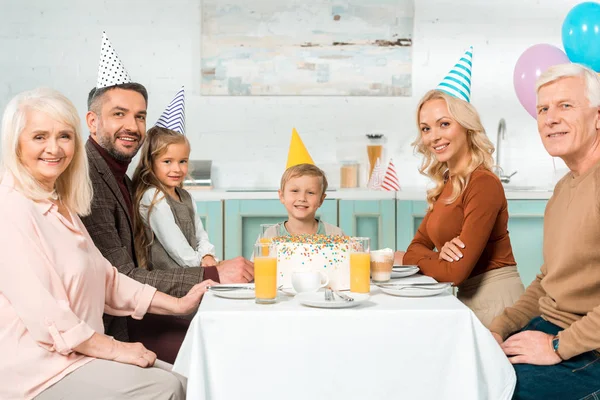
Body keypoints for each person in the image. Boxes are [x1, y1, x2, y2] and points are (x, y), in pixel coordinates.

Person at [0, 87, 216, 399]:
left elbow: (107, 277)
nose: (54, 148)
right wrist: (117, 349)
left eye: (64, 136)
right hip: (36, 371)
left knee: (187, 378)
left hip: (74, 356)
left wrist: (177, 304)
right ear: (16, 144)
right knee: (166, 388)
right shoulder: (10, 208)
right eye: (39, 137)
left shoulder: (59, 203)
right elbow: (49, 319)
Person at [80, 34, 253, 363]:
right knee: (224, 349)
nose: (132, 125)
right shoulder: (89, 179)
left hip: (146, 305)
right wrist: (213, 274)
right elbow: (123, 277)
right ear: (93, 121)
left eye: (140, 116)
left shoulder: (122, 177)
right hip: (116, 326)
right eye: (119, 114)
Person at [489, 63, 600, 400]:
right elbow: (548, 281)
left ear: (598, 116)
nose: (550, 118)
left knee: (506, 390)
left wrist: (557, 346)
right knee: (469, 371)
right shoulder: (563, 190)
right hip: (553, 330)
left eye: (565, 105)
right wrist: (499, 327)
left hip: (588, 345)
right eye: (543, 109)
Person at [394, 48, 524, 327]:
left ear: (465, 126)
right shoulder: (446, 184)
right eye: (426, 128)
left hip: (498, 302)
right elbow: (417, 246)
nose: (434, 137)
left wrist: (409, 259)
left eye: (444, 124)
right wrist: (436, 256)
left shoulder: (483, 184)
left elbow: (455, 272)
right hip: (468, 299)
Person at [132, 125, 218, 270]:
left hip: (193, 271)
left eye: (183, 161)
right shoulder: (153, 197)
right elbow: (178, 249)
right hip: (171, 279)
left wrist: (207, 255)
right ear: (151, 163)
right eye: (167, 161)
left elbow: (200, 235)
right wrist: (203, 266)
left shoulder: (186, 196)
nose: (177, 169)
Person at [263, 163, 343, 238]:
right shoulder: (271, 235)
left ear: (321, 200)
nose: (302, 198)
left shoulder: (335, 234)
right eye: (295, 191)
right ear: (282, 196)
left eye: (310, 193)